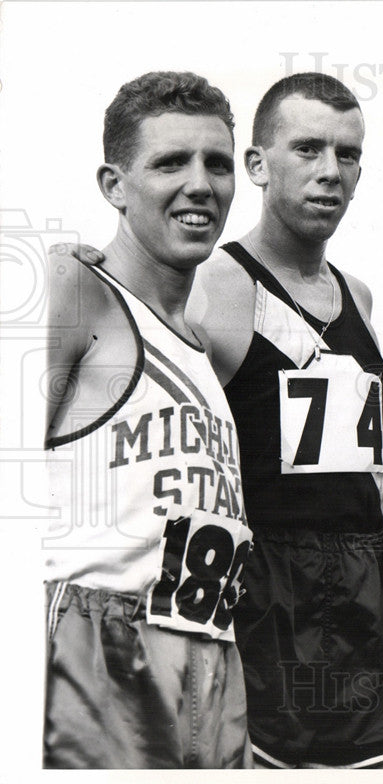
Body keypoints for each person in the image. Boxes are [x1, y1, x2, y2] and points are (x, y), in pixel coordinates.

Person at [179, 72, 383, 768]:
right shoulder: (211, 287)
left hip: (365, 604)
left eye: (347, 155)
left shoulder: (360, 297)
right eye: (308, 149)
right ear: (257, 164)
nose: (330, 173)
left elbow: (382, 444)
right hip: (264, 605)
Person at [44, 71, 252, 768]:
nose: (201, 184)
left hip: (209, 652)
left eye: (217, 163)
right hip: (97, 645)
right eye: (170, 162)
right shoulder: (76, 287)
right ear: (114, 185)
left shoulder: (203, 347)